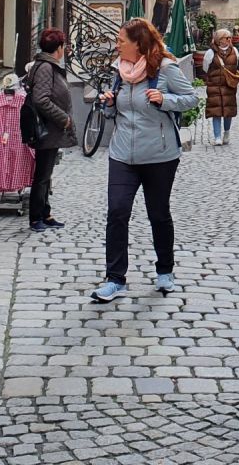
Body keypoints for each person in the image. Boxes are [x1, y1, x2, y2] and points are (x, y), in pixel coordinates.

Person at [92, 18, 199, 302]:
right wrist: (109, 104)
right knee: (117, 212)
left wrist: (165, 99)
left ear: (138, 44)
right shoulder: (119, 71)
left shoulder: (165, 68)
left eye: (121, 41)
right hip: (122, 154)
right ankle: (115, 279)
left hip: (159, 155)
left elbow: (191, 98)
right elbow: (114, 113)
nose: (117, 45)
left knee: (158, 214)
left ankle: (165, 271)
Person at [22, 28, 75, 232]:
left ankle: (46, 214)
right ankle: (36, 218)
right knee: (42, 175)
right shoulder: (45, 67)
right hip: (46, 128)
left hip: (49, 128)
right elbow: (41, 99)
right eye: (63, 46)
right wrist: (64, 119)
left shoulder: (46, 64)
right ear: (59, 48)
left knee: (46, 173)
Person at [196, 28, 239, 146]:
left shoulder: (234, 51)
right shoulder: (210, 53)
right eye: (226, 38)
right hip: (215, 86)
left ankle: (226, 132)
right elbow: (205, 68)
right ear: (219, 39)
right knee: (216, 111)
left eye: (229, 38)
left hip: (229, 86)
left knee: (228, 111)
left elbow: (235, 65)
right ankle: (217, 136)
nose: (229, 40)